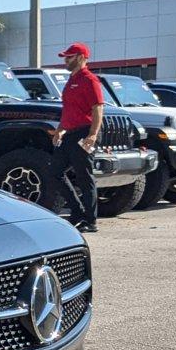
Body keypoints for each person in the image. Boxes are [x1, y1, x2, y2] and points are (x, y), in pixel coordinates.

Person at [51, 42, 104, 233]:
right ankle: (77, 212)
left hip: (84, 132)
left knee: (84, 176)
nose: (66, 60)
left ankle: (90, 220)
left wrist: (93, 134)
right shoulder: (71, 80)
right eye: (65, 57)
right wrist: (59, 130)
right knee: (55, 171)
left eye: (69, 57)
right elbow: (69, 110)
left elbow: (98, 108)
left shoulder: (90, 80)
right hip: (70, 134)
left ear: (81, 58)